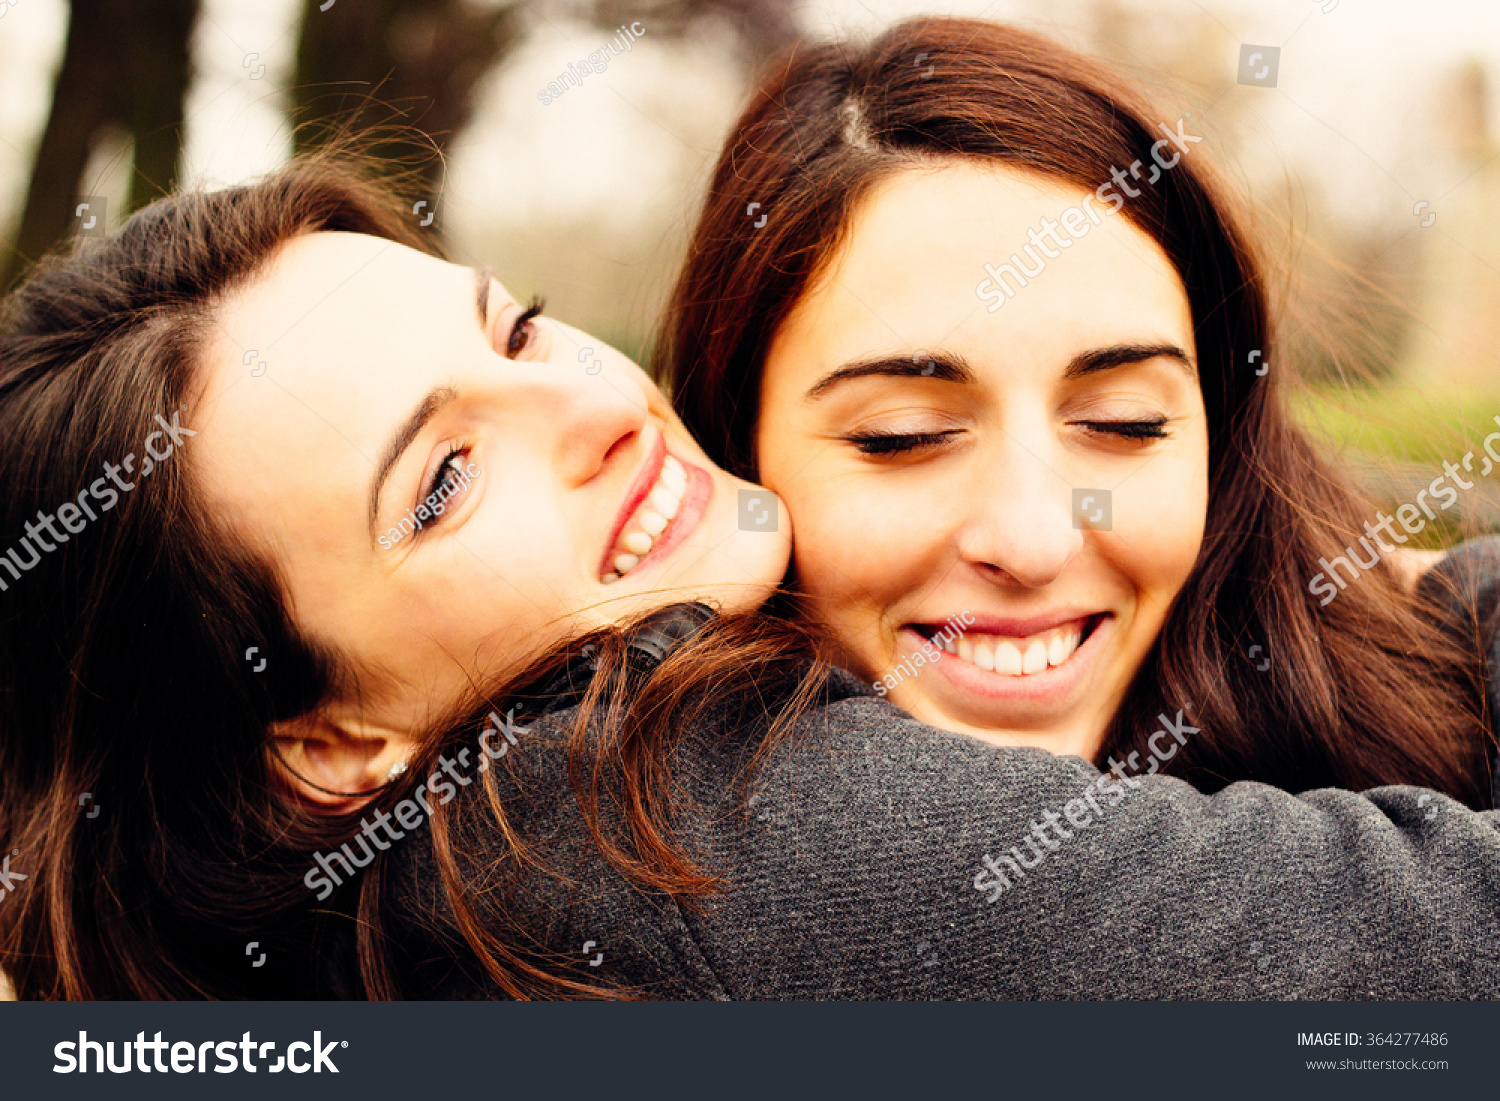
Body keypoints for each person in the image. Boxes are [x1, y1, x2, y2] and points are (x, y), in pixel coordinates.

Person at [3, 158, 1500, 1002]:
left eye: (516, 335)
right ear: (327, 744)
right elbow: (1432, 947)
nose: (593, 409)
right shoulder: (633, 822)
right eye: (444, 483)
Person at [660, 15, 1497, 807]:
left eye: (1124, 421)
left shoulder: (1419, 715)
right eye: (902, 436)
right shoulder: (638, 851)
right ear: (736, 447)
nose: (1034, 542)